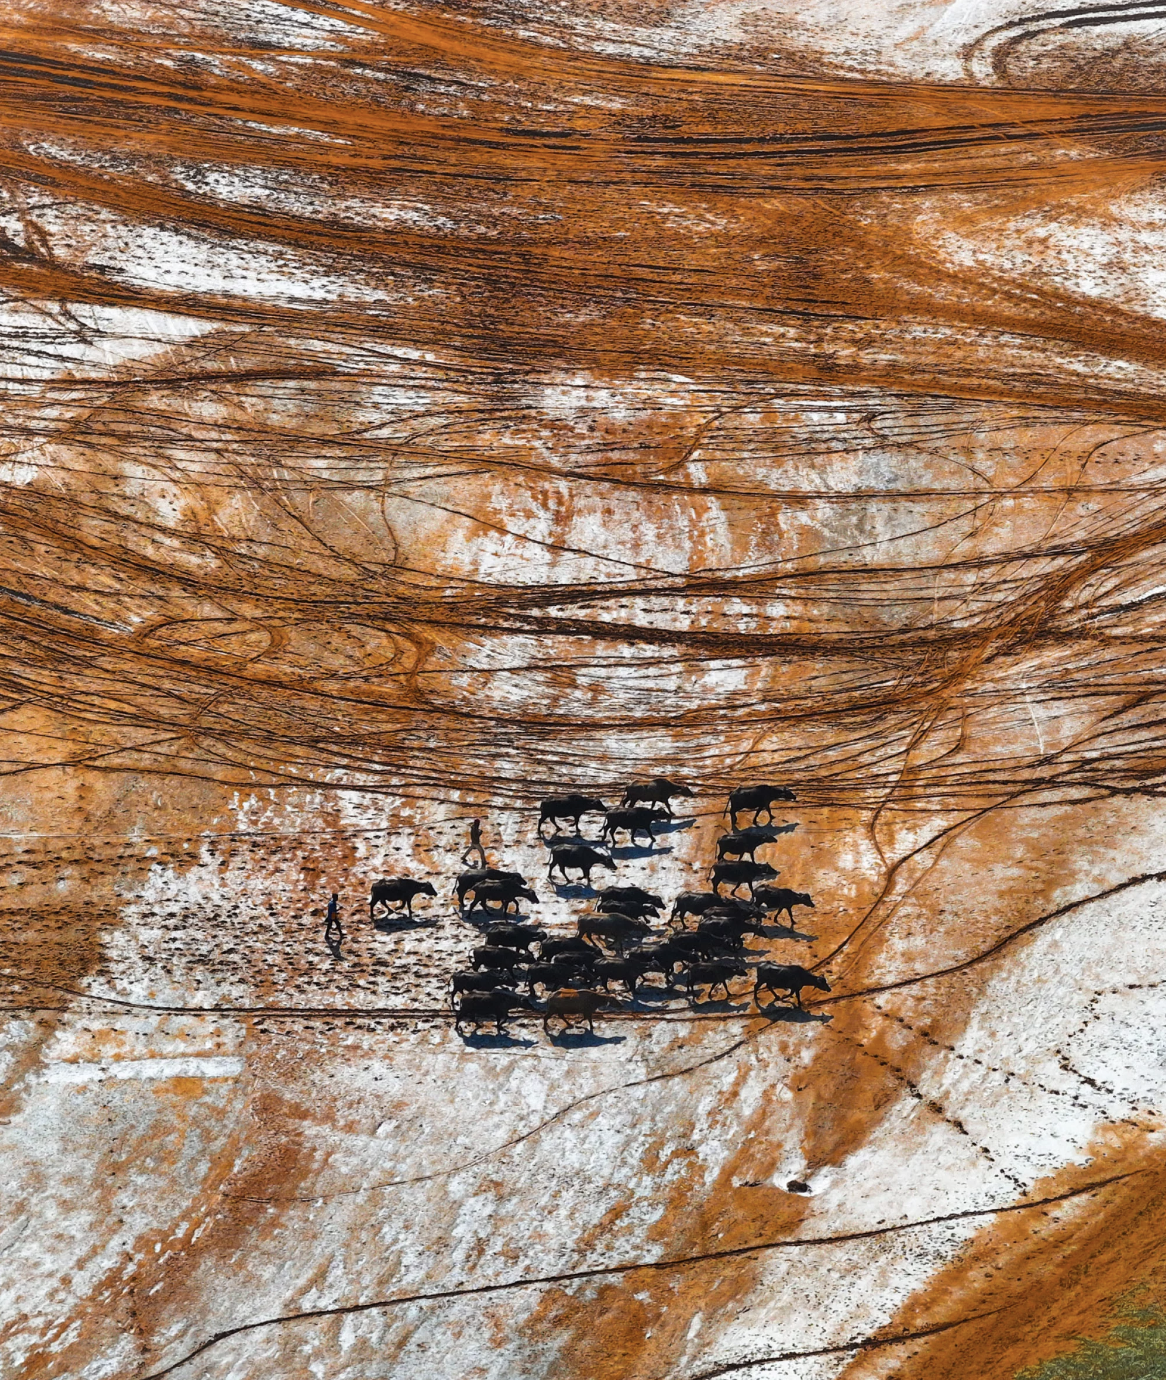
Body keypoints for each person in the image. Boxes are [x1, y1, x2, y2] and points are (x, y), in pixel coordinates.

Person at [324, 891, 343, 958]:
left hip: (331, 916)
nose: (337, 898)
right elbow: (333, 911)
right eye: (337, 897)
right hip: (332, 916)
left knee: (330, 926)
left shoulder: (331, 902)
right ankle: (340, 934)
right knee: (335, 925)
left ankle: (327, 935)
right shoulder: (332, 904)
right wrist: (339, 909)